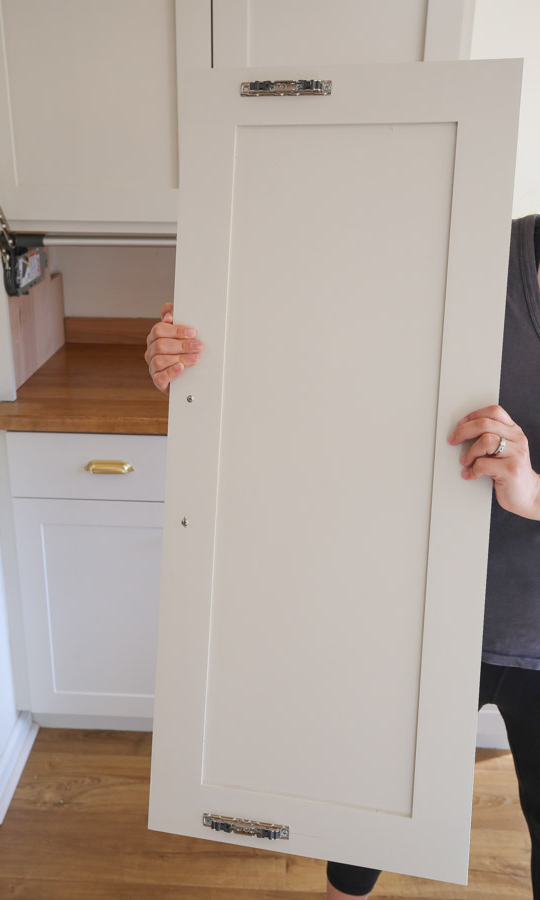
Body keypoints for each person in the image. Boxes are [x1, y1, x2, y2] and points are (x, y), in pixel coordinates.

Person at [145, 214, 540, 899]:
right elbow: (322, 354)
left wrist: (532, 491)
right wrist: (190, 362)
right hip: (417, 604)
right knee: (358, 826)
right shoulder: (477, 248)